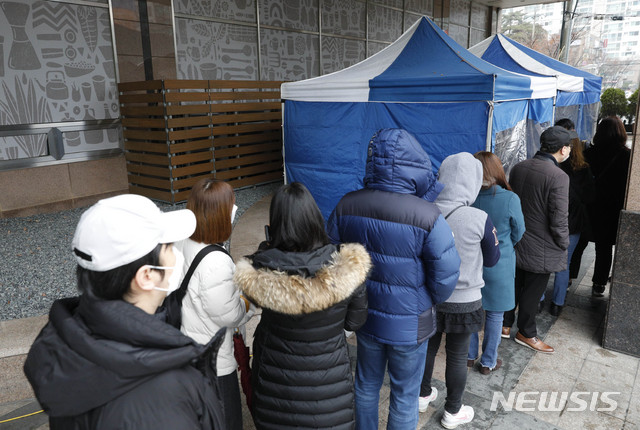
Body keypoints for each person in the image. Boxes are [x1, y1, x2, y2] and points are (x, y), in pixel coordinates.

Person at [24, 194, 225, 429]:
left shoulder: (65, 346)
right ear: (146, 276)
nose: (176, 254)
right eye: (169, 247)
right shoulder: (166, 390)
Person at [327, 128, 460, 430]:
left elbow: (331, 260)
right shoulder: (428, 216)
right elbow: (446, 276)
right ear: (415, 164)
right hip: (410, 324)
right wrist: (425, 299)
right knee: (405, 394)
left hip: (364, 317)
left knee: (365, 384)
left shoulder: (347, 204)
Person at [234, 182, 370, 430]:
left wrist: (267, 249)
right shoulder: (345, 267)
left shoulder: (259, 271)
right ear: (315, 218)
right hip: (330, 389)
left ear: (275, 224)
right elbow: (354, 321)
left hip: (276, 385)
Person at [420, 152, 500, 429]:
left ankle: (421, 394)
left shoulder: (424, 211)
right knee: (456, 355)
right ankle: (453, 411)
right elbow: (492, 259)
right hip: (465, 301)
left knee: (428, 348)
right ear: (474, 181)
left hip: (430, 296)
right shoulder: (479, 217)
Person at [179, 178, 254, 430]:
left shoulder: (182, 242)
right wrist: (249, 302)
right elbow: (230, 314)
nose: (234, 210)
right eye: (231, 206)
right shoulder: (216, 262)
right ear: (220, 215)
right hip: (214, 362)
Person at [503, 126, 571, 354]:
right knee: (533, 290)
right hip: (543, 245)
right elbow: (559, 218)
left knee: (514, 283)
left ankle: (504, 325)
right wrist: (564, 243)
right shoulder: (559, 176)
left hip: (517, 238)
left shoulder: (519, 167)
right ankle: (526, 333)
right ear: (563, 149)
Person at [468, 151, 525, 373]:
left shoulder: (468, 197)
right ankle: (488, 361)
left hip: (472, 261)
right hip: (500, 261)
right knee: (495, 314)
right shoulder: (510, 198)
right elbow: (519, 231)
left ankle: (469, 355)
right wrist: (502, 243)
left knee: (472, 309)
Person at [543, 122, 595, 315]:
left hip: (550, 220)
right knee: (564, 264)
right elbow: (591, 197)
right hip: (573, 223)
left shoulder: (554, 168)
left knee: (545, 262)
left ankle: (539, 300)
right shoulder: (584, 169)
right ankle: (557, 304)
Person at [583, 116, 630, 297]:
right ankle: (599, 284)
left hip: (590, 205)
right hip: (613, 209)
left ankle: (568, 279)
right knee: (604, 249)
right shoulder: (626, 156)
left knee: (580, 243)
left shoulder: (589, 153)